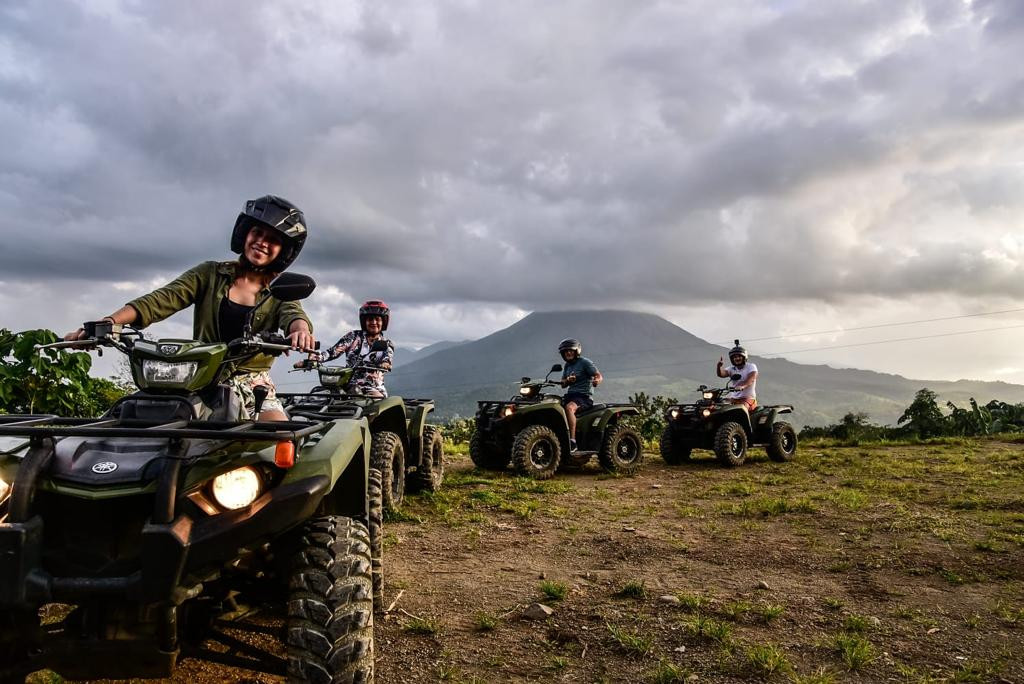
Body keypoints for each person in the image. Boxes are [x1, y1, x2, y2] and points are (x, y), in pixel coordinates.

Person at [64, 195, 316, 421]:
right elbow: (160, 300)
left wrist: (300, 331)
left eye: (273, 240)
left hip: (252, 385)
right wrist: (109, 323)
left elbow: (293, 314)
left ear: (284, 251)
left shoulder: (279, 288)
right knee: (121, 422)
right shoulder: (209, 273)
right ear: (244, 233)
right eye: (257, 233)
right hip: (195, 379)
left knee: (279, 439)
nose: (262, 242)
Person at [305, 300, 395, 397]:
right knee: (318, 396)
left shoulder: (387, 343)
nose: (373, 322)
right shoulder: (353, 336)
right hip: (346, 385)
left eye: (377, 319)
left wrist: (385, 364)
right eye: (370, 319)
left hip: (372, 388)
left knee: (375, 404)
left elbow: (387, 359)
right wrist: (313, 359)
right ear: (364, 321)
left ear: (383, 322)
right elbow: (333, 351)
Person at [558, 338, 602, 451]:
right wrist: (568, 380)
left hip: (584, 397)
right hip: (571, 396)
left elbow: (598, 375)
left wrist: (596, 381)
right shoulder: (567, 366)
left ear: (576, 351)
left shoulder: (584, 362)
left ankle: (572, 442)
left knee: (569, 408)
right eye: (565, 351)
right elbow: (563, 384)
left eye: (570, 350)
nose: (568, 353)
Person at [717, 340, 758, 411]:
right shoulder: (731, 368)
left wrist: (743, 386)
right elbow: (721, 374)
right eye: (734, 357)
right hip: (733, 398)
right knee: (717, 406)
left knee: (740, 410)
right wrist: (719, 366)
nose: (737, 358)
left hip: (748, 399)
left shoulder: (751, 366)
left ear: (744, 357)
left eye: (739, 356)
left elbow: (752, 379)